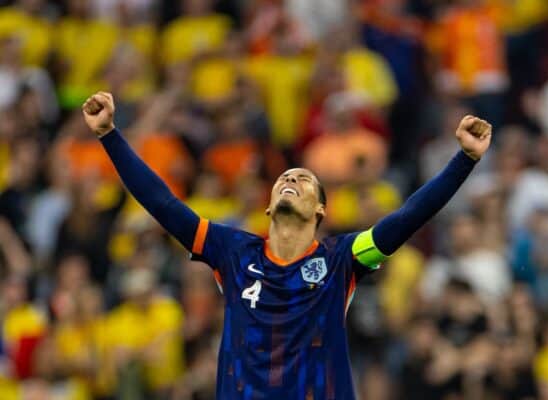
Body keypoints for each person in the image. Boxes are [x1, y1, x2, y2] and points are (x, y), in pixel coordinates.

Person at [81, 91, 492, 399]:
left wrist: (464, 160)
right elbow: (162, 202)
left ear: (320, 212)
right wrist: (109, 135)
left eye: (304, 180)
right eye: (284, 179)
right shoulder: (233, 250)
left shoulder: (341, 260)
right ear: (267, 207)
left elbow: (407, 218)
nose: (290, 181)